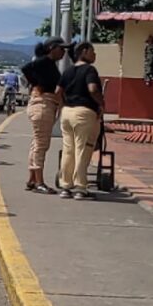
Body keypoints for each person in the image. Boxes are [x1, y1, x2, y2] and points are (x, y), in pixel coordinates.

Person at [58, 42, 104, 200]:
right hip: (84, 113)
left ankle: (65, 186)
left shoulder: (68, 70)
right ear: (83, 52)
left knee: (68, 150)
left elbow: (58, 92)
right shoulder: (90, 70)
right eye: (92, 51)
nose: (95, 54)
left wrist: (64, 105)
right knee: (82, 149)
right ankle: (80, 188)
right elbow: (92, 89)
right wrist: (101, 103)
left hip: (67, 113)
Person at [21, 39, 65, 192]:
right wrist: (37, 83)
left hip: (43, 105)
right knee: (41, 144)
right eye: (61, 48)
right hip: (43, 104)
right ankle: (39, 182)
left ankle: (32, 179)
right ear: (52, 48)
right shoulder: (45, 61)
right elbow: (26, 68)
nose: (63, 52)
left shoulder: (50, 64)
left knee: (36, 143)